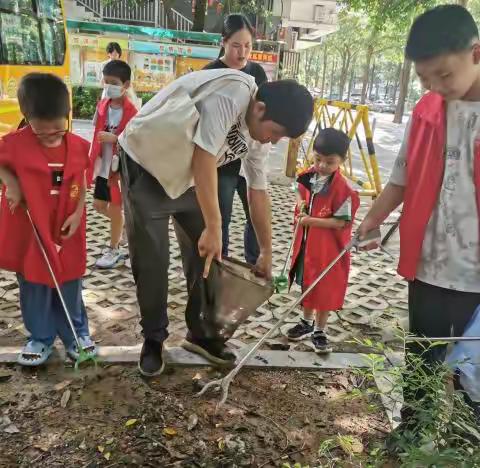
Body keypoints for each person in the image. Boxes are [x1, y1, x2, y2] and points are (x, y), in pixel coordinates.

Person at [118, 68, 313, 377]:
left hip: (190, 177)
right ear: (260, 109)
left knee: (208, 256)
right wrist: (214, 225)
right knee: (153, 260)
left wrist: (265, 250)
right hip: (147, 164)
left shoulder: (259, 135)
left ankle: (202, 334)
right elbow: (204, 156)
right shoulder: (231, 93)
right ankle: (153, 339)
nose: (274, 141)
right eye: (276, 133)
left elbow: (258, 191)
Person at [357, 4, 480, 430]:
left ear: (476, 54)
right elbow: (401, 179)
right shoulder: (427, 112)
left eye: (443, 75)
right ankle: (412, 430)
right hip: (428, 266)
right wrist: (371, 220)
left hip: (476, 278)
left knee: (471, 371)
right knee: (422, 355)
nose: (434, 87)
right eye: (425, 79)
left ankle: (463, 442)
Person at [0, 73, 96, 366]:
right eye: (43, 131)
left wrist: (79, 213)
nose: (53, 135)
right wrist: (11, 183)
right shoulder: (14, 144)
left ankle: (76, 335)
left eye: (59, 127)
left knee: (69, 284)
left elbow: (81, 181)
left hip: (66, 230)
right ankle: (40, 337)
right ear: (27, 117)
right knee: (34, 285)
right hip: (31, 230)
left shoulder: (78, 146)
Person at [287, 128, 359, 353]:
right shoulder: (309, 175)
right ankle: (306, 323)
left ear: (342, 161)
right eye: (318, 159)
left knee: (325, 288)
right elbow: (299, 190)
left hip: (328, 250)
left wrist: (311, 221)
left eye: (330, 162)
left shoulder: (344, 190)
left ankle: (320, 329)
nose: (322, 166)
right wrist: (300, 204)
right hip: (307, 247)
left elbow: (341, 222)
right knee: (308, 284)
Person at [203, 14, 268, 265]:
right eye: (236, 46)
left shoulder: (257, 72)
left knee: (255, 214)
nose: (242, 54)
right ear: (224, 42)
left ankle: (253, 263)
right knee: (221, 216)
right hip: (222, 162)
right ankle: (221, 263)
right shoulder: (210, 73)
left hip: (250, 156)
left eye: (248, 46)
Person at [89, 60, 137, 269]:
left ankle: (114, 248)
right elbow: (94, 132)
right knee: (99, 206)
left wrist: (115, 138)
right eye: (106, 81)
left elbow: (136, 140)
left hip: (119, 170)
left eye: (113, 82)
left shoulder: (133, 112)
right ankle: (124, 227)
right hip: (103, 167)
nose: (108, 86)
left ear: (125, 84)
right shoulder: (102, 106)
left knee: (115, 208)